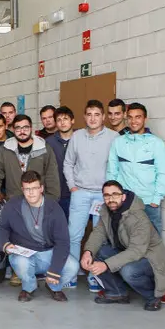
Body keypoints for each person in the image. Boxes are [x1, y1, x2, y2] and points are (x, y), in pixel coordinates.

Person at [81, 180, 165, 311]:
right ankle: (116, 293)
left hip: (150, 258)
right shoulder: (106, 210)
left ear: (123, 196)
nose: (110, 199)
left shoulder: (138, 217)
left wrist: (106, 265)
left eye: (115, 194)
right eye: (106, 195)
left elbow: (136, 251)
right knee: (98, 252)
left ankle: (153, 297)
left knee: (129, 271)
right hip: (127, 251)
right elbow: (98, 233)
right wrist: (88, 252)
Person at [0, 171, 79, 302]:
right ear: (22, 189)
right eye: (27, 189)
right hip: (24, 253)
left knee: (73, 266)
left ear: (41, 188)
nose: (31, 192)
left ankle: (53, 286)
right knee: (19, 262)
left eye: (34, 188)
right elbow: (1, 227)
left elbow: (62, 242)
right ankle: (28, 288)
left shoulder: (54, 208)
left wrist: (55, 271)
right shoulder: (12, 205)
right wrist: (5, 244)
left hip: (48, 253)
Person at [63, 100, 118, 291]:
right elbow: (68, 164)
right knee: (74, 235)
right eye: (89, 114)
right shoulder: (77, 136)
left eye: (97, 114)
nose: (93, 118)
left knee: (99, 237)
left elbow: (117, 166)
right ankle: (70, 273)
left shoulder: (114, 137)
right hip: (80, 193)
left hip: (103, 196)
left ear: (103, 117)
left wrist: (111, 193)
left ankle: (95, 276)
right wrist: (72, 187)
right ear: (84, 117)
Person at [106, 103, 165, 234]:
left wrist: (156, 200)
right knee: (126, 244)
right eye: (130, 117)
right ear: (126, 118)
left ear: (145, 119)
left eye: (138, 117)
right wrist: (114, 197)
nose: (133, 121)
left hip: (149, 203)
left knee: (154, 246)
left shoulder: (156, 143)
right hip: (125, 202)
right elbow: (112, 172)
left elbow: (163, 173)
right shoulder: (118, 142)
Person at [0, 114, 60, 202]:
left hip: (39, 202)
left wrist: (52, 200)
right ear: (13, 129)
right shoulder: (5, 149)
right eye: (18, 128)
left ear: (31, 128)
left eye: (26, 127)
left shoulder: (44, 148)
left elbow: (52, 176)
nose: (22, 131)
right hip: (14, 202)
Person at [44, 106, 75, 217]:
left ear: (72, 120)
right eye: (59, 120)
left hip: (78, 192)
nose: (62, 123)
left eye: (65, 119)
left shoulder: (81, 138)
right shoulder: (48, 142)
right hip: (57, 194)